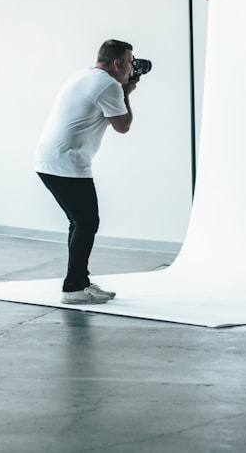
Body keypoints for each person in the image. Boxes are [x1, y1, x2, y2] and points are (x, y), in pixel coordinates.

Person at [35, 39, 140, 305]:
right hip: (66, 163)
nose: (131, 68)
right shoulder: (109, 85)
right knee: (86, 222)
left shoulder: (86, 75)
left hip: (52, 159)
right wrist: (127, 91)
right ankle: (73, 288)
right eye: (129, 63)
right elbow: (123, 125)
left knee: (81, 222)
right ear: (117, 63)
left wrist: (123, 88)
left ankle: (79, 282)